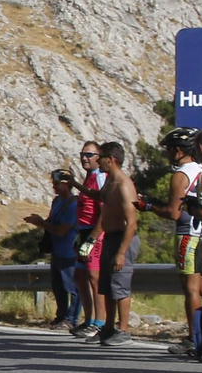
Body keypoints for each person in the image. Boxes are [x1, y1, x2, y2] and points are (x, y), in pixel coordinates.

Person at [141, 129, 202, 358]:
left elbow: (173, 213)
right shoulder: (201, 170)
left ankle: (194, 339)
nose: (166, 155)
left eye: (168, 150)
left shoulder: (180, 175)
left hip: (188, 235)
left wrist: (147, 207)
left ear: (177, 151)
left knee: (191, 289)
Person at [91, 142, 140, 346]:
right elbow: (99, 196)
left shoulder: (124, 185)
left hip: (122, 239)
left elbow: (132, 223)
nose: (97, 160)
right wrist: (74, 184)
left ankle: (124, 329)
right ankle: (109, 327)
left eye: (100, 157)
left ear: (110, 160)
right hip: (110, 237)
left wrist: (121, 252)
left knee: (120, 285)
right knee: (108, 286)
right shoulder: (110, 181)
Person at [25, 170, 81, 329]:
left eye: (56, 183)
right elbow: (52, 222)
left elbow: (62, 230)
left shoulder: (73, 204)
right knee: (59, 287)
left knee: (72, 287)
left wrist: (41, 223)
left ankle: (72, 319)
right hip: (57, 251)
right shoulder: (57, 201)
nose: (54, 187)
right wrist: (42, 222)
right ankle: (61, 315)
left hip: (69, 252)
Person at [70, 141, 107, 337]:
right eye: (82, 154)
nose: (84, 158)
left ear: (99, 157)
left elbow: (104, 210)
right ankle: (90, 318)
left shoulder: (100, 177)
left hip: (95, 232)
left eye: (89, 154)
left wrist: (93, 237)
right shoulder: (88, 178)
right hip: (83, 231)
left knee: (94, 277)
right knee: (80, 276)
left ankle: (100, 322)